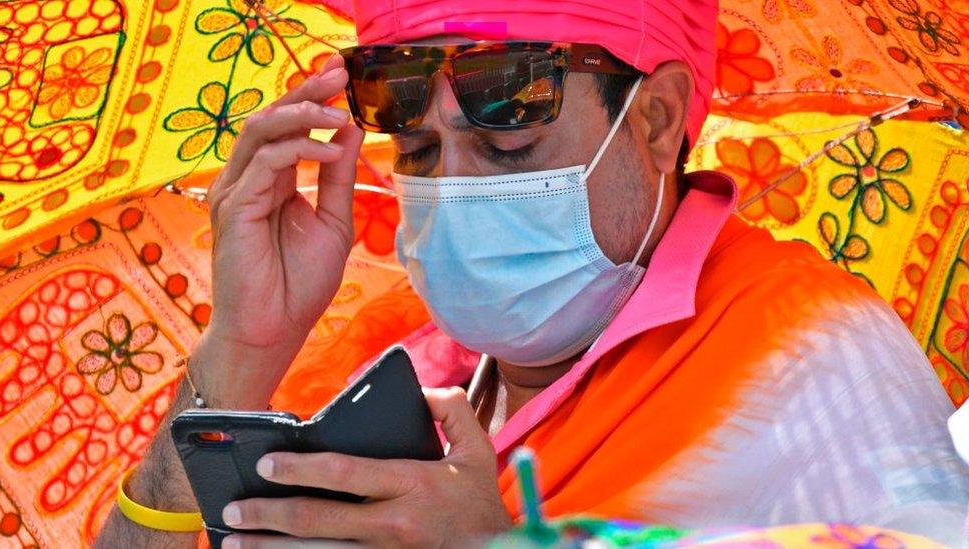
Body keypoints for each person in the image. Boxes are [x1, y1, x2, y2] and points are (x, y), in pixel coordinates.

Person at [97, 1, 969, 547]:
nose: (456, 190)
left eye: (510, 137)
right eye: (422, 147)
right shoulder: (387, 368)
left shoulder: (802, 349)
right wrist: (241, 353)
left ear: (657, 121)